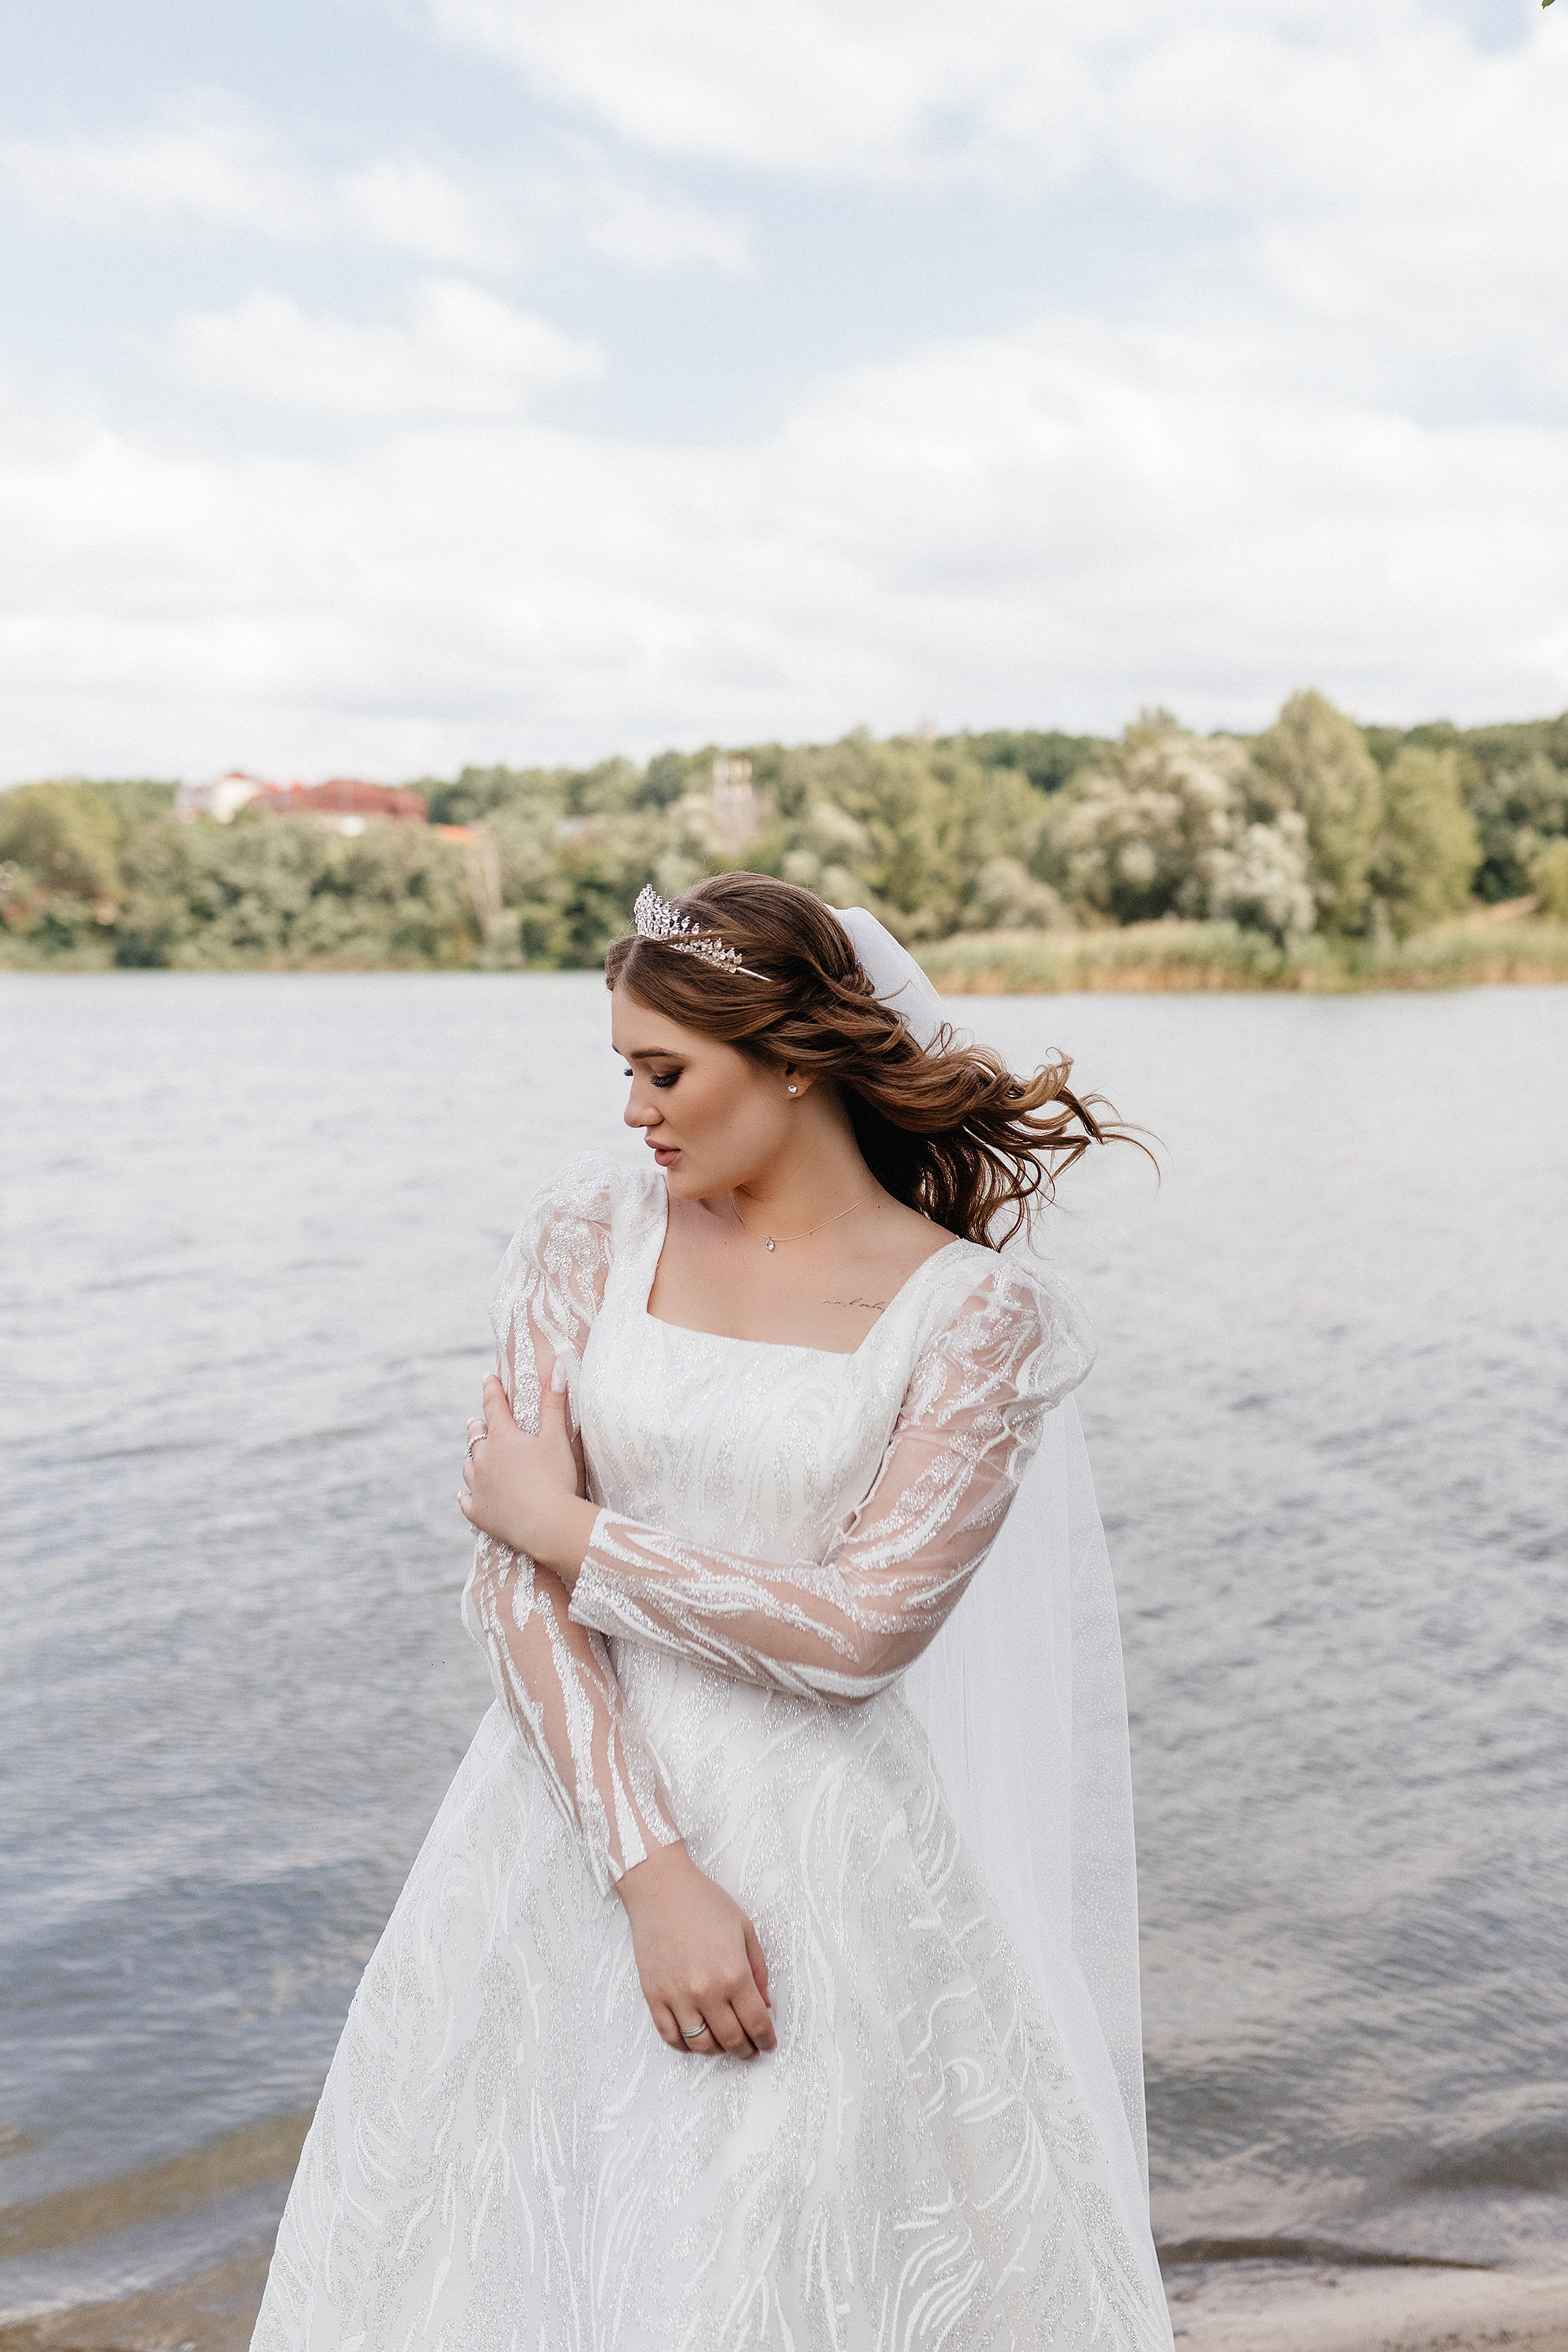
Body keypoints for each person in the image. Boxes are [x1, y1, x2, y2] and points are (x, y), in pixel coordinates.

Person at [252, 874, 1174, 2352]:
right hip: (561, 1828)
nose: (635, 1112)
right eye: (624, 1070)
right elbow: (505, 1579)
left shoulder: (974, 1319)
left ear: (793, 1054)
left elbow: (862, 1633)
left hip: (833, 1872)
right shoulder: (587, 1235)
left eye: (662, 1070)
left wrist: (571, 1527)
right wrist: (649, 1871)